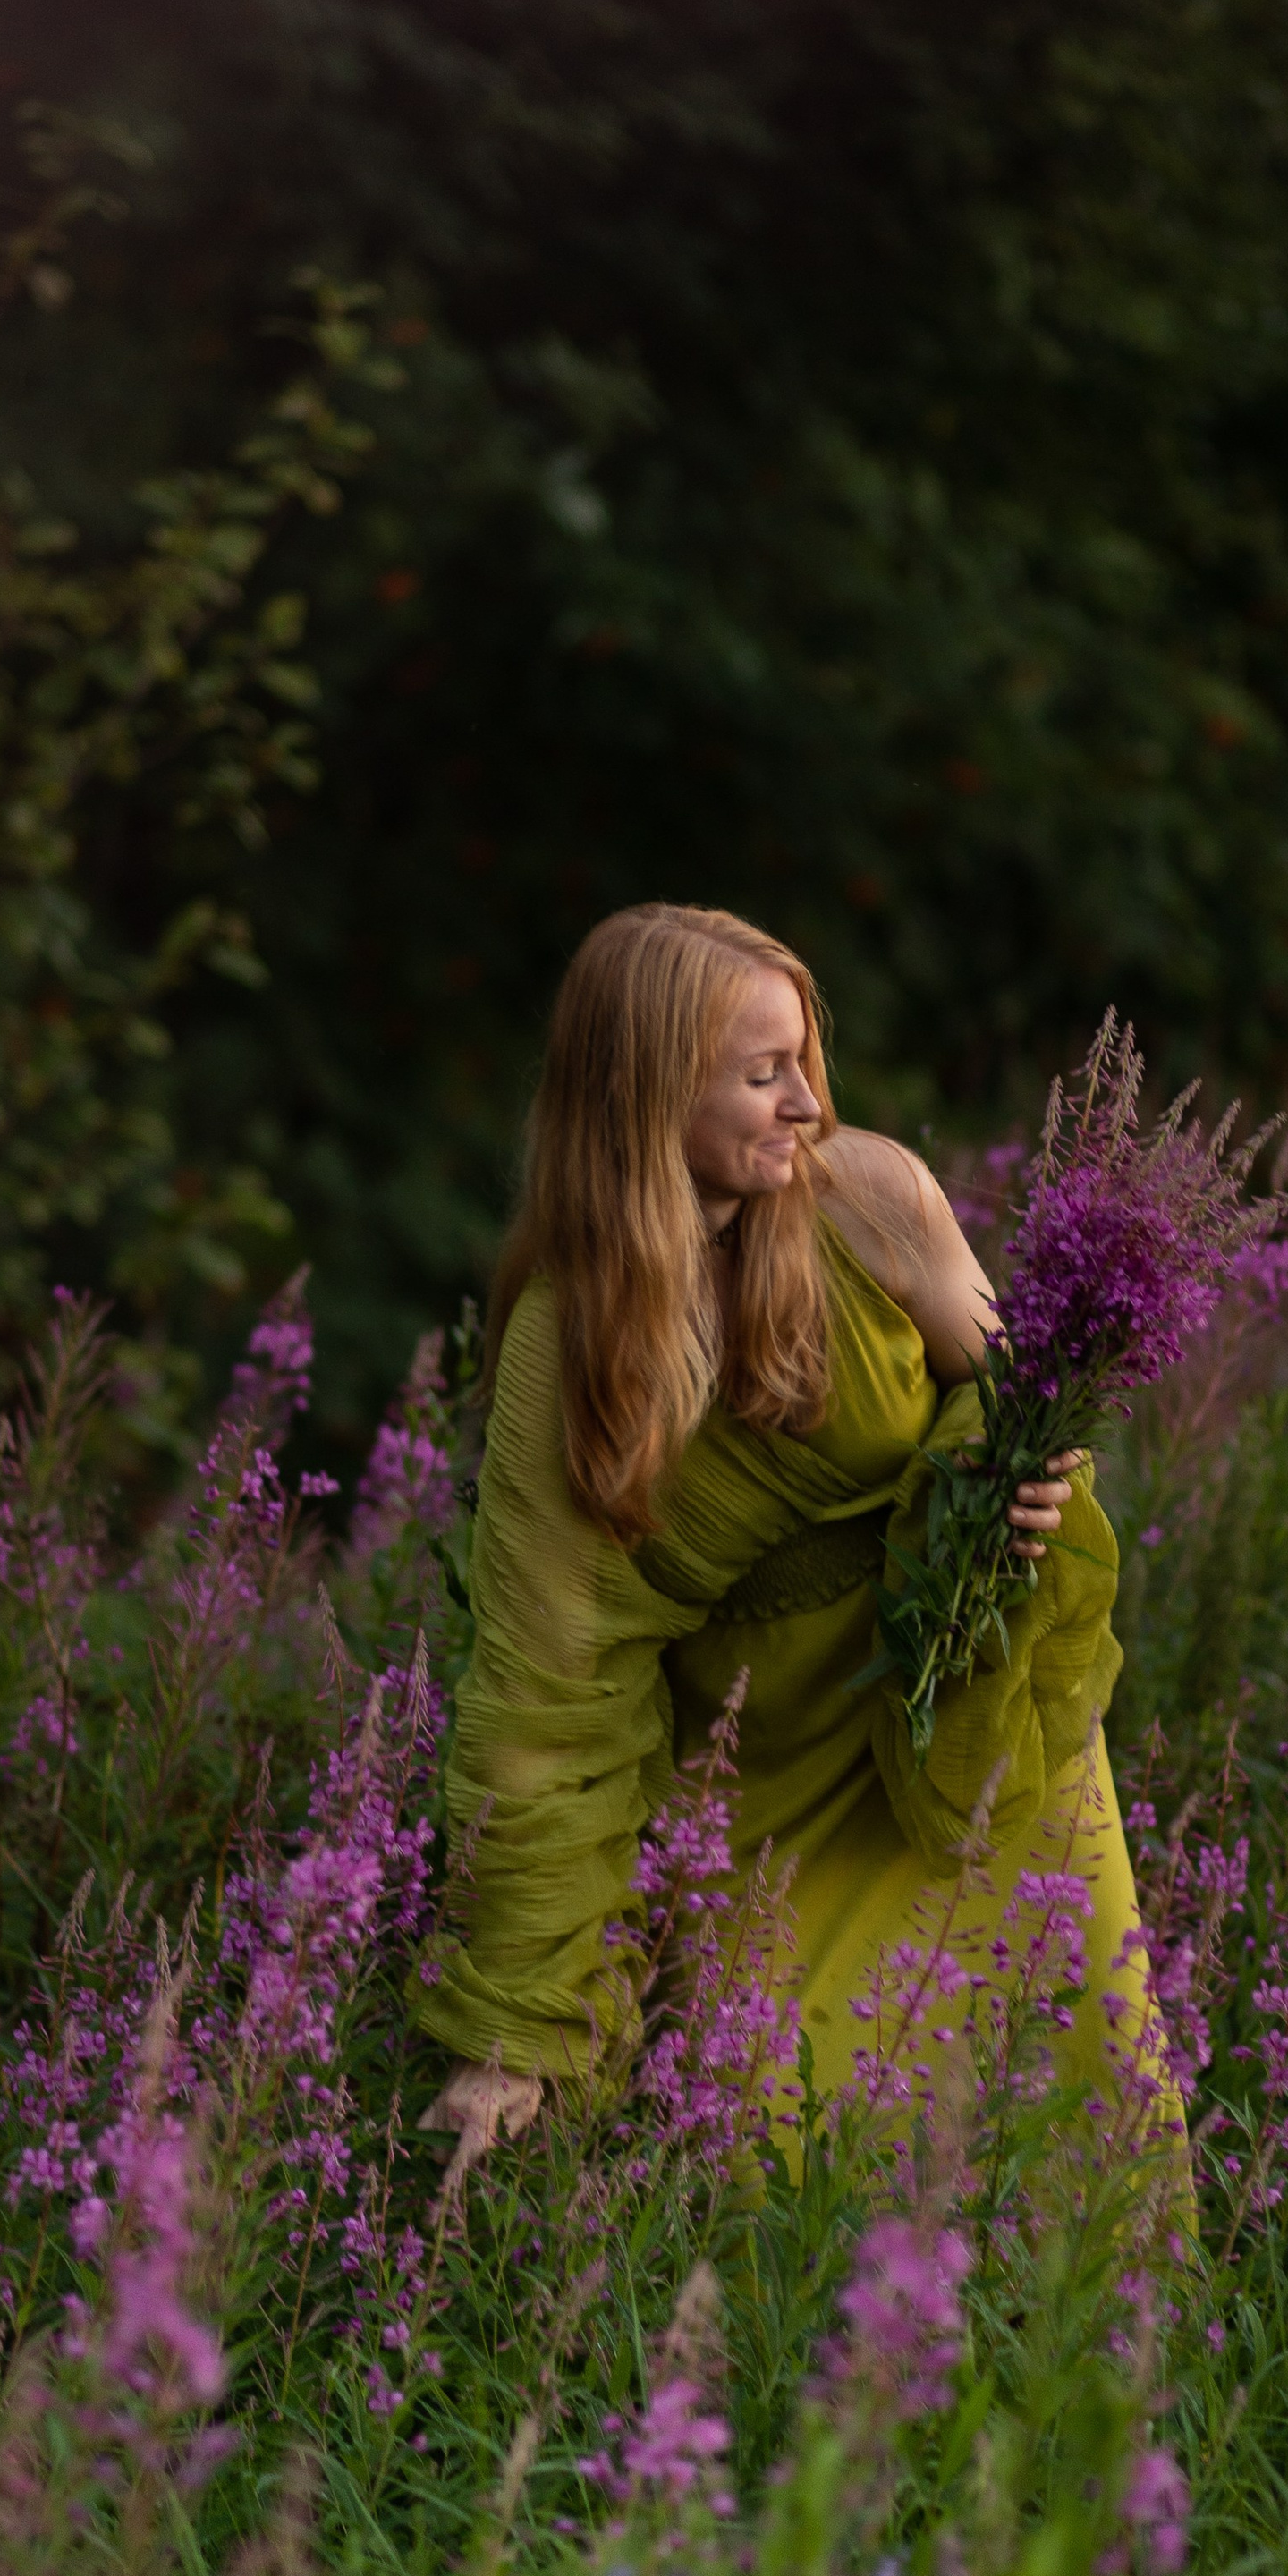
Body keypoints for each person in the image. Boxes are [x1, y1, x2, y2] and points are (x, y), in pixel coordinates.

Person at [414, 901, 1183, 2199]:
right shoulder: (570, 1333)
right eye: (763, 1075)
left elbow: (1018, 1396)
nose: (807, 1105)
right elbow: (549, 1688)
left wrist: (1018, 1489)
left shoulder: (874, 1200)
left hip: (967, 1710)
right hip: (757, 1777)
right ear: (650, 1094)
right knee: (776, 2158)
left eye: (804, 1064)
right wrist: (517, 2032)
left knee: (1075, 2095)